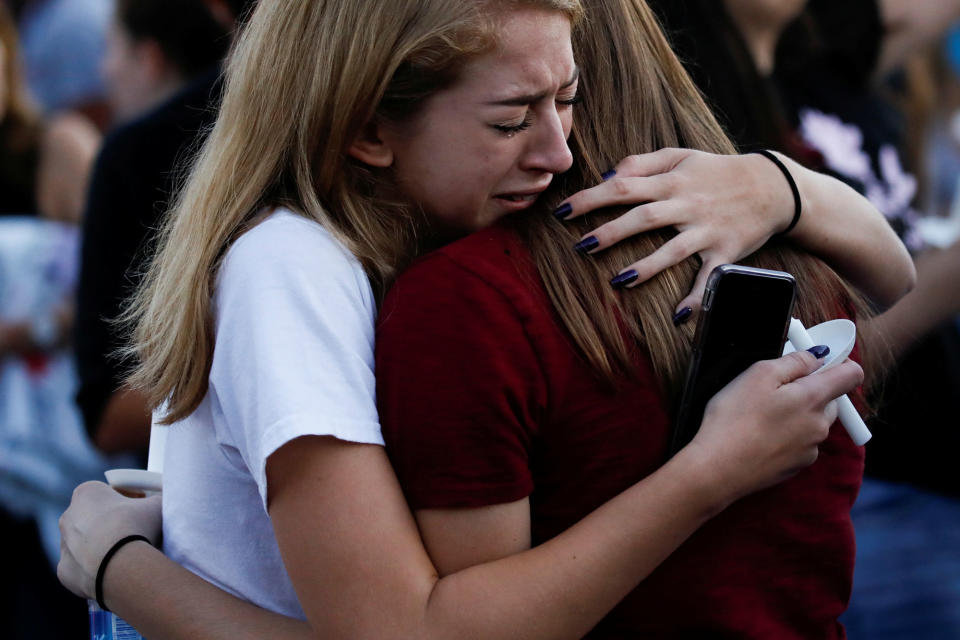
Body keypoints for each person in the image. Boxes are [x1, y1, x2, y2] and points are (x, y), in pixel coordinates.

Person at [57, 0, 911, 638]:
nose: (561, 155)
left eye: (569, 100)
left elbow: (892, 275)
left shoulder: (428, 248)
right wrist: (119, 571)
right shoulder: (295, 268)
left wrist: (781, 186)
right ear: (366, 128)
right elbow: (403, 633)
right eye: (511, 118)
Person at [74, 0, 250, 457]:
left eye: (112, 49)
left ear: (149, 58)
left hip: (187, 501)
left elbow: (105, 416)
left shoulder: (131, 156)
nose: (105, 70)